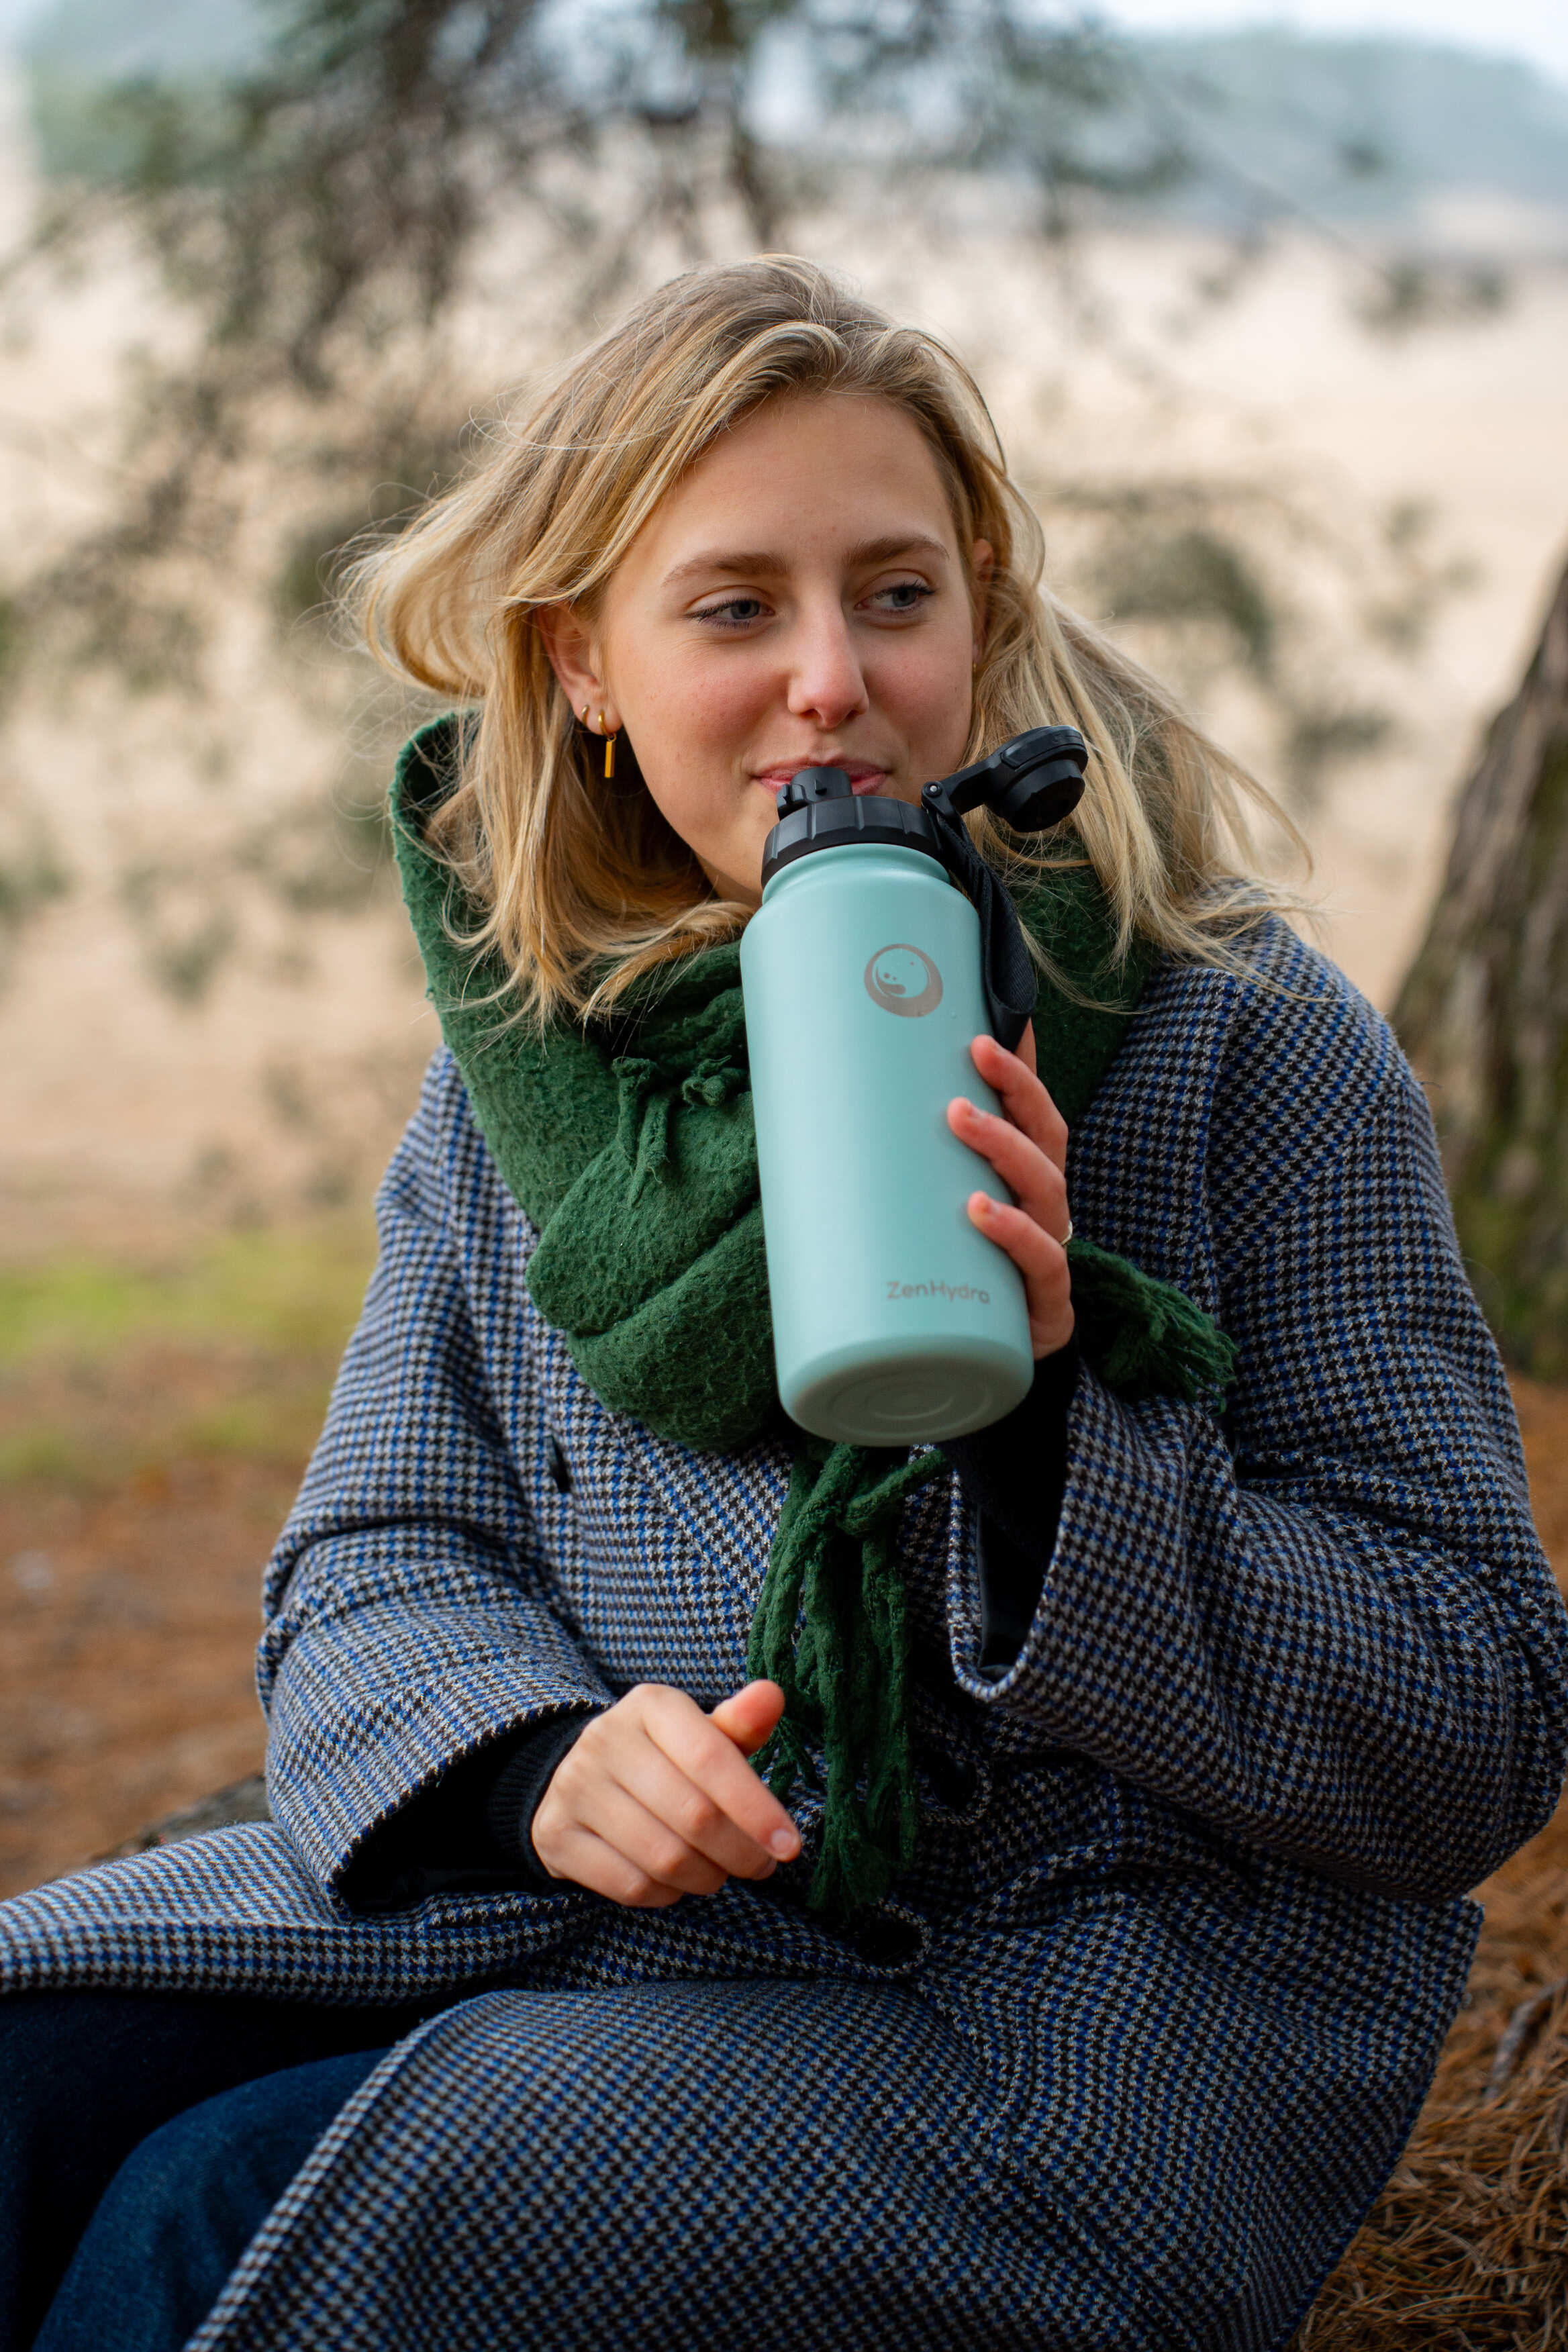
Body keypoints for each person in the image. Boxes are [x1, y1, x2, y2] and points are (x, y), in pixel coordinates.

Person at [1, 254, 1563, 2352]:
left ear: (979, 612)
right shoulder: (540, 1081)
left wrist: (1046, 1437)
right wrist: (535, 1765)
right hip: (626, 1930)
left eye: (893, 593)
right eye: (735, 608)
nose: (832, 679)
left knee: (226, 2217)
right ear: (584, 665)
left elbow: (1478, 1713)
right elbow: (376, 1556)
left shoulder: (1241, 1041)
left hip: (1076, 2031)